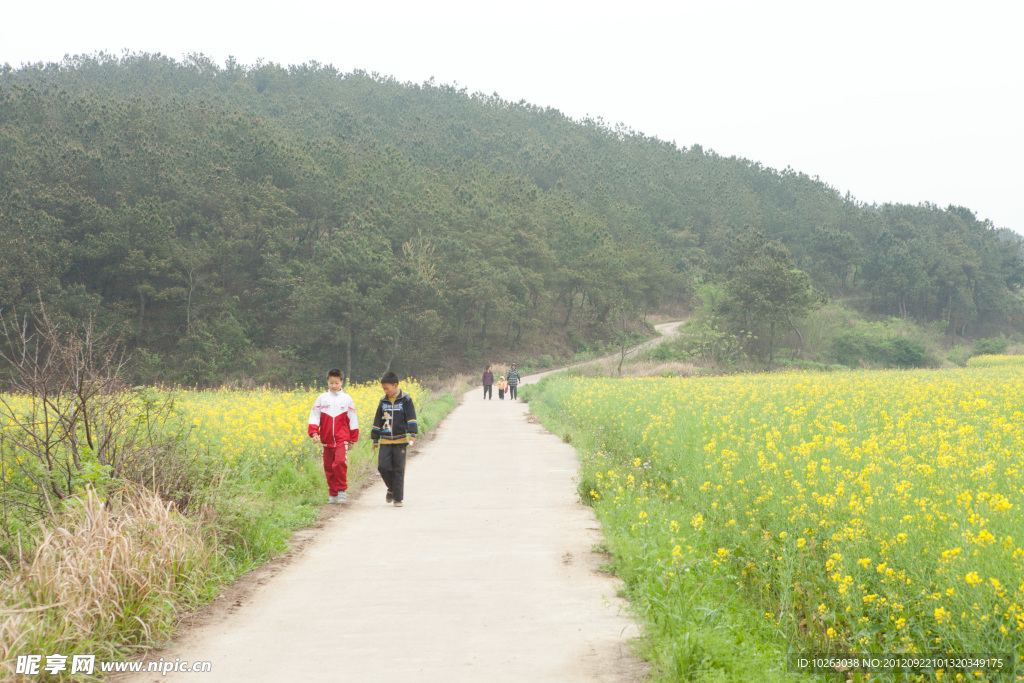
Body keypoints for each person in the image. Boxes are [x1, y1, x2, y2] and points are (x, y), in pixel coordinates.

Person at [308, 368, 359, 503]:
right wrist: (314, 432)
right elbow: (314, 416)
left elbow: (353, 419)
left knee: (340, 462)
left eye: (336, 382)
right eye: (331, 383)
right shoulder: (322, 398)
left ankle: (342, 490)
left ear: (342, 382)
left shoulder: (347, 399)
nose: (334, 385)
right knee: (329, 467)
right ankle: (333, 493)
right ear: (327, 382)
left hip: (342, 439)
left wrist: (353, 439)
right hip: (327, 439)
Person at [370, 371, 418, 508]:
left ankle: (398, 498)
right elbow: (377, 420)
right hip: (385, 441)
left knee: (398, 470)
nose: (385, 391)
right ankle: (391, 488)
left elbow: (411, 417)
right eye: (383, 389)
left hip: (400, 441)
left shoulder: (405, 400)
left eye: (387, 388)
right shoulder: (383, 401)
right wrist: (375, 439)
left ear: (395, 385)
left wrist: (412, 434)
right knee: (383, 467)